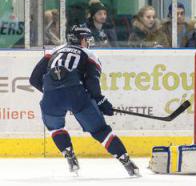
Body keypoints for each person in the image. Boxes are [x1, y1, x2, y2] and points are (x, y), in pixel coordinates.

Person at [28, 25, 139, 176]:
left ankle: (69, 156)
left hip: (51, 98)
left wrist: (52, 90)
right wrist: (100, 101)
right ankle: (127, 162)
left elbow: (34, 79)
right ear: (80, 40)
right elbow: (92, 82)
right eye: (86, 39)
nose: (88, 43)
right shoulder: (89, 54)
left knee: (55, 128)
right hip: (76, 95)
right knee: (100, 131)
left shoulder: (53, 51)